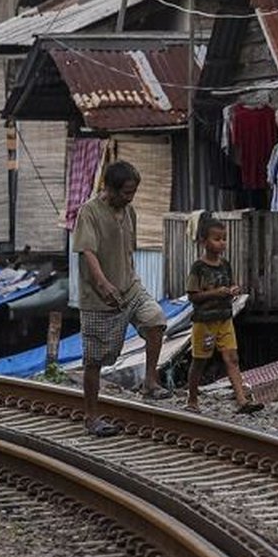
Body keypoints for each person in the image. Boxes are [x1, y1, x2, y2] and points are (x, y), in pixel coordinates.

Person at [73, 160, 171, 437]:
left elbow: (128, 250)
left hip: (130, 288)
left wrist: (128, 279)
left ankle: (150, 382)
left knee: (155, 320)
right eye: (126, 192)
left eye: (133, 192)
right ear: (110, 189)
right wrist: (103, 283)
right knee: (94, 359)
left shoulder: (129, 212)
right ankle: (91, 417)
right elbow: (87, 252)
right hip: (98, 298)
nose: (130, 198)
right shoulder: (89, 212)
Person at [185, 218, 263, 415]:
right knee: (200, 360)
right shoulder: (199, 268)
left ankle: (242, 400)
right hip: (204, 321)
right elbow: (192, 295)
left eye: (224, 239)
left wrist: (233, 290)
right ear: (204, 241)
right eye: (217, 239)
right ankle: (192, 398)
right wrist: (215, 293)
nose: (222, 243)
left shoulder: (225, 265)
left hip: (225, 319)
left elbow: (231, 283)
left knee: (232, 358)